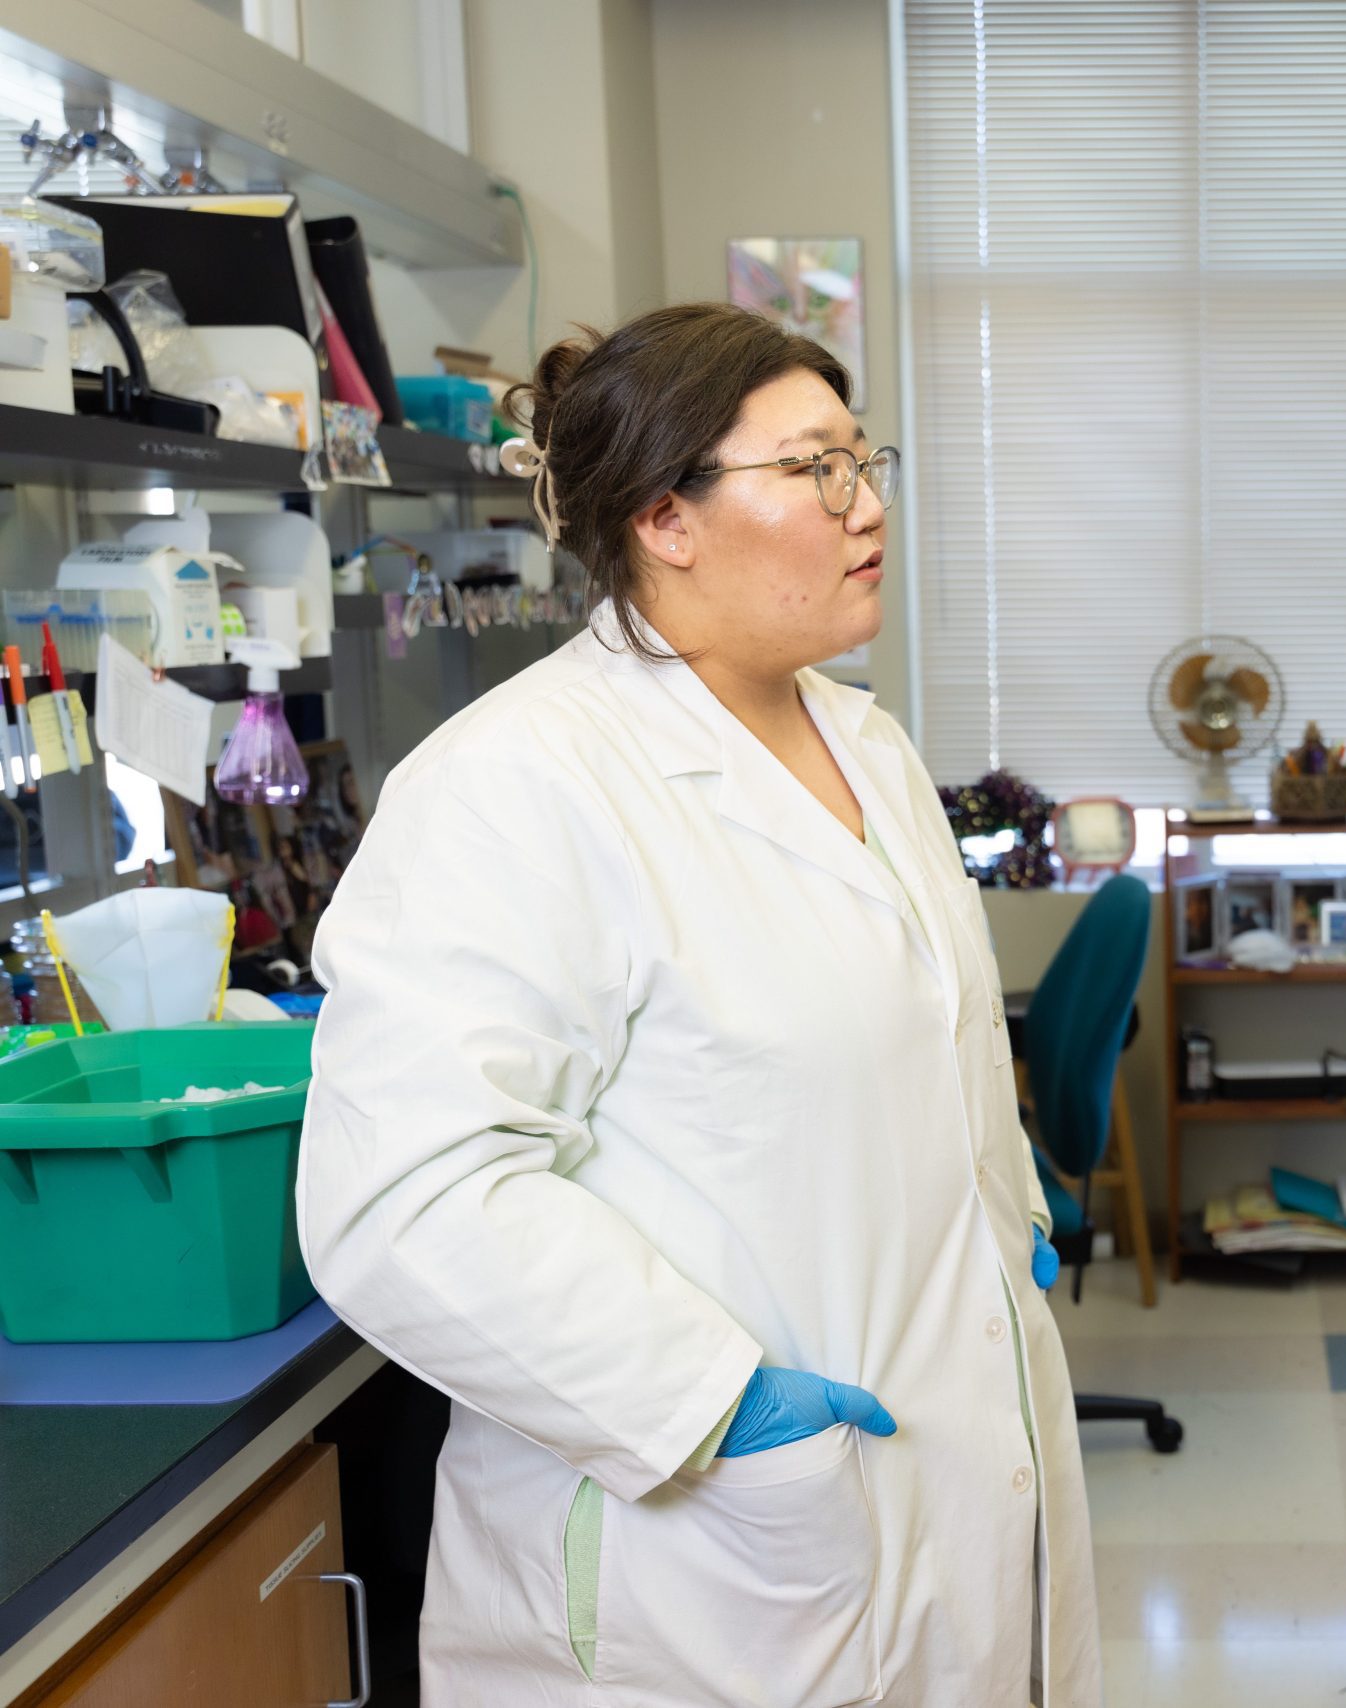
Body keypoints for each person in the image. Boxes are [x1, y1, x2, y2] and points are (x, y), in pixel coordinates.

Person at [297, 303, 1099, 1706]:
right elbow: (402, 1200)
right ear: (666, 518)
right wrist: (717, 1407)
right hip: (720, 1566)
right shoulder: (514, 788)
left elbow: (917, 1042)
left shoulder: (868, 741)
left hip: (954, 1479)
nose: (869, 509)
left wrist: (996, 1207)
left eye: (869, 462)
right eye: (819, 470)